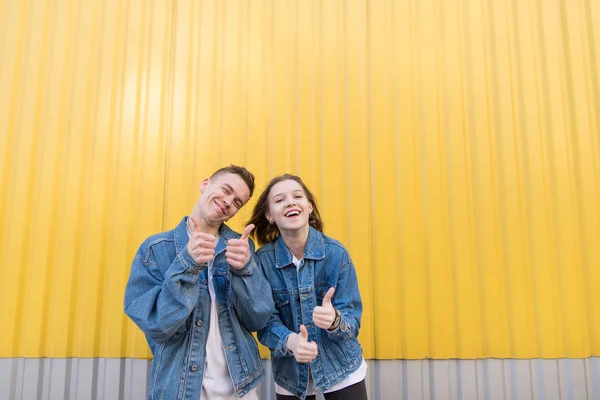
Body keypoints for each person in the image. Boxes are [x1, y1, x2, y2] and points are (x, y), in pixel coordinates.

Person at [124, 165, 274, 400]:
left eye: (237, 202)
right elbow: (157, 325)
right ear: (205, 184)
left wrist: (247, 270)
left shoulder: (240, 248)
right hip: (180, 389)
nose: (228, 202)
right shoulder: (156, 250)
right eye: (226, 190)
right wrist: (187, 263)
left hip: (241, 387)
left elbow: (259, 317)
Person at [247, 174, 368, 400]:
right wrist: (290, 341)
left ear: (309, 207)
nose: (290, 202)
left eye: (297, 196)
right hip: (291, 376)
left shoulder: (336, 254)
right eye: (280, 200)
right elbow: (264, 322)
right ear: (269, 216)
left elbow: (353, 322)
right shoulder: (262, 261)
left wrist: (335, 321)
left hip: (342, 367)